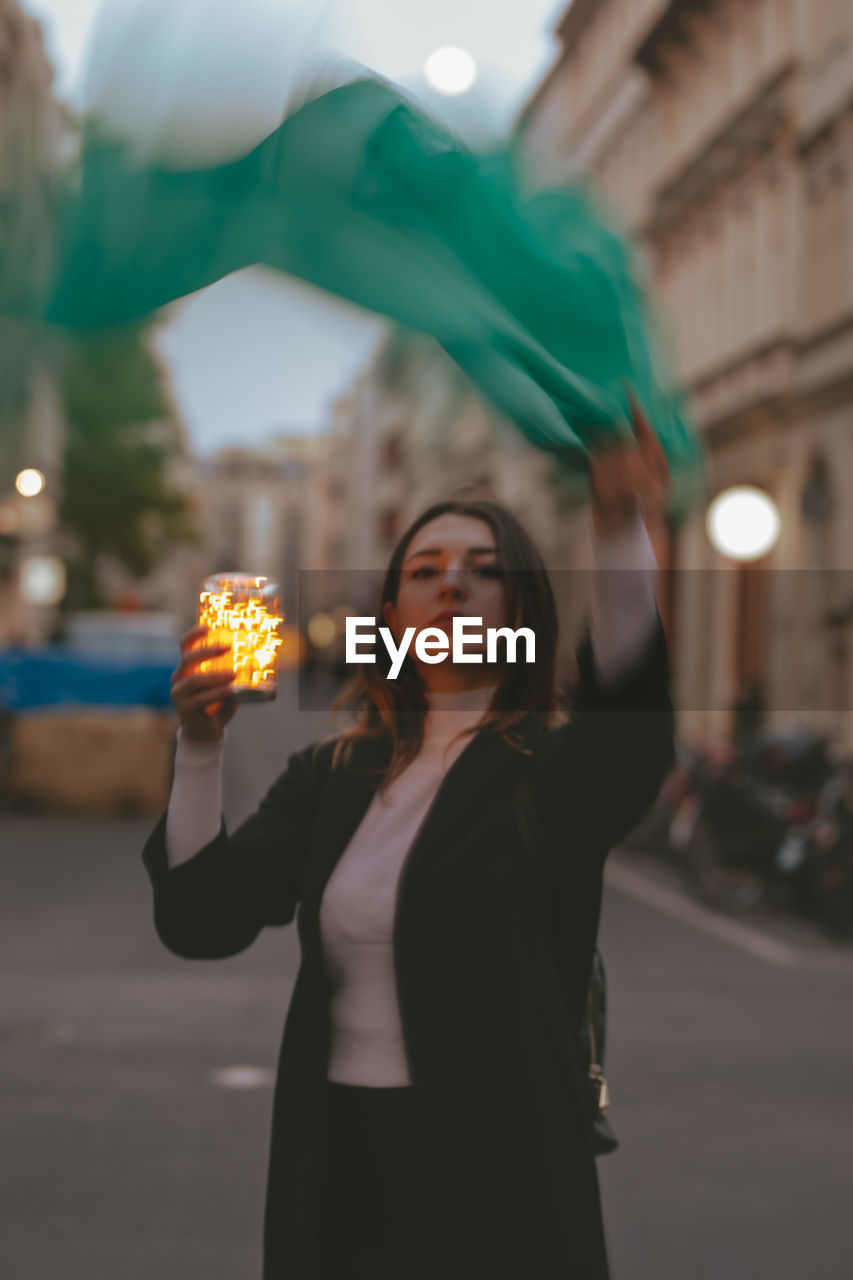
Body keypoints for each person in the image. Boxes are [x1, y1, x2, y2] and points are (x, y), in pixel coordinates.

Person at [141, 400, 675, 1280]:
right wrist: (201, 749)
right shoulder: (332, 774)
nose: (452, 583)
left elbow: (629, 722)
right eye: (425, 570)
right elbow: (204, 922)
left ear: (520, 607)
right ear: (391, 616)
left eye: (481, 570)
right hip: (341, 1162)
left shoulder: (550, 770)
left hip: (499, 1180)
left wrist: (619, 528)